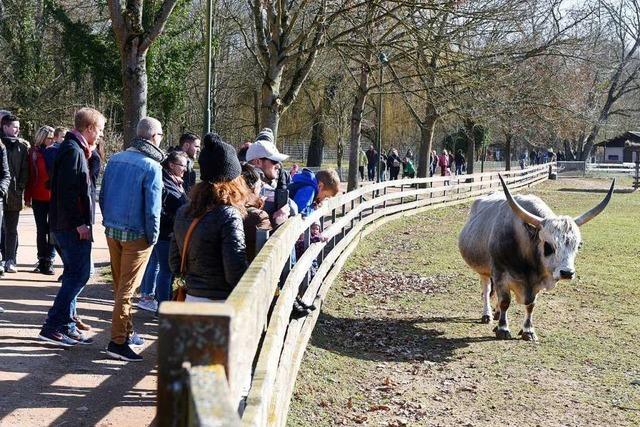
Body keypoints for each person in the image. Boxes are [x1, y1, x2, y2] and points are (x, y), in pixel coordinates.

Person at [38, 107, 105, 346]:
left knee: (73, 274)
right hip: (69, 226)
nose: (100, 135)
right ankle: (53, 324)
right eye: (99, 130)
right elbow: (68, 193)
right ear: (88, 129)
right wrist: (80, 223)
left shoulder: (76, 150)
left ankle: (65, 323)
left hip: (65, 224)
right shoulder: (73, 151)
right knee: (80, 274)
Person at [100, 117, 164, 362]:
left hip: (113, 230)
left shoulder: (115, 159)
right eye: (160, 134)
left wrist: (109, 223)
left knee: (120, 286)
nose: (161, 138)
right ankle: (117, 341)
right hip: (137, 235)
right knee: (126, 291)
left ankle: (125, 332)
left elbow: (103, 195)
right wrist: (153, 238)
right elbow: (152, 209)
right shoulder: (152, 166)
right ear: (153, 136)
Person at [169, 132, 249, 301]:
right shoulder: (229, 215)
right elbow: (235, 273)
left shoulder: (184, 211)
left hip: (191, 299)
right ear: (234, 179)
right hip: (220, 303)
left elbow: (175, 263)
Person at [138, 150, 189, 312]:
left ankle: (164, 304)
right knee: (165, 271)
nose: (185, 169)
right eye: (182, 165)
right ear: (172, 165)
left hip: (172, 233)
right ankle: (162, 307)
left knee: (167, 271)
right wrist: (175, 221)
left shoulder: (176, 181)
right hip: (165, 233)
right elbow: (159, 210)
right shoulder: (163, 183)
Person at [245, 128, 295, 226]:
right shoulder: (258, 187)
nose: (278, 165)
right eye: (274, 161)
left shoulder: (241, 180)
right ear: (258, 162)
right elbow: (293, 208)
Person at [25, 125, 56, 275]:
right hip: (38, 196)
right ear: (42, 138)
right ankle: (41, 259)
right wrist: (27, 196)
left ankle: (49, 260)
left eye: (53, 137)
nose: (52, 140)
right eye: (49, 137)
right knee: (41, 229)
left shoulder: (56, 151)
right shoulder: (33, 153)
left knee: (52, 229)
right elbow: (30, 175)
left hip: (54, 196)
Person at [1, 114, 29, 273]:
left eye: (18, 127)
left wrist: (20, 187)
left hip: (14, 194)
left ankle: (10, 259)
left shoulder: (22, 147)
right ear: (5, 127)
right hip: (0, 193)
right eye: (14, 126)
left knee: (11, 229)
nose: (17, 129)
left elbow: (25, 170)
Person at [241, 163, 272, 262]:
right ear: (253, 188)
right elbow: (269, 250)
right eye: (260, 185)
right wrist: (280, 222)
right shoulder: (258, 216)